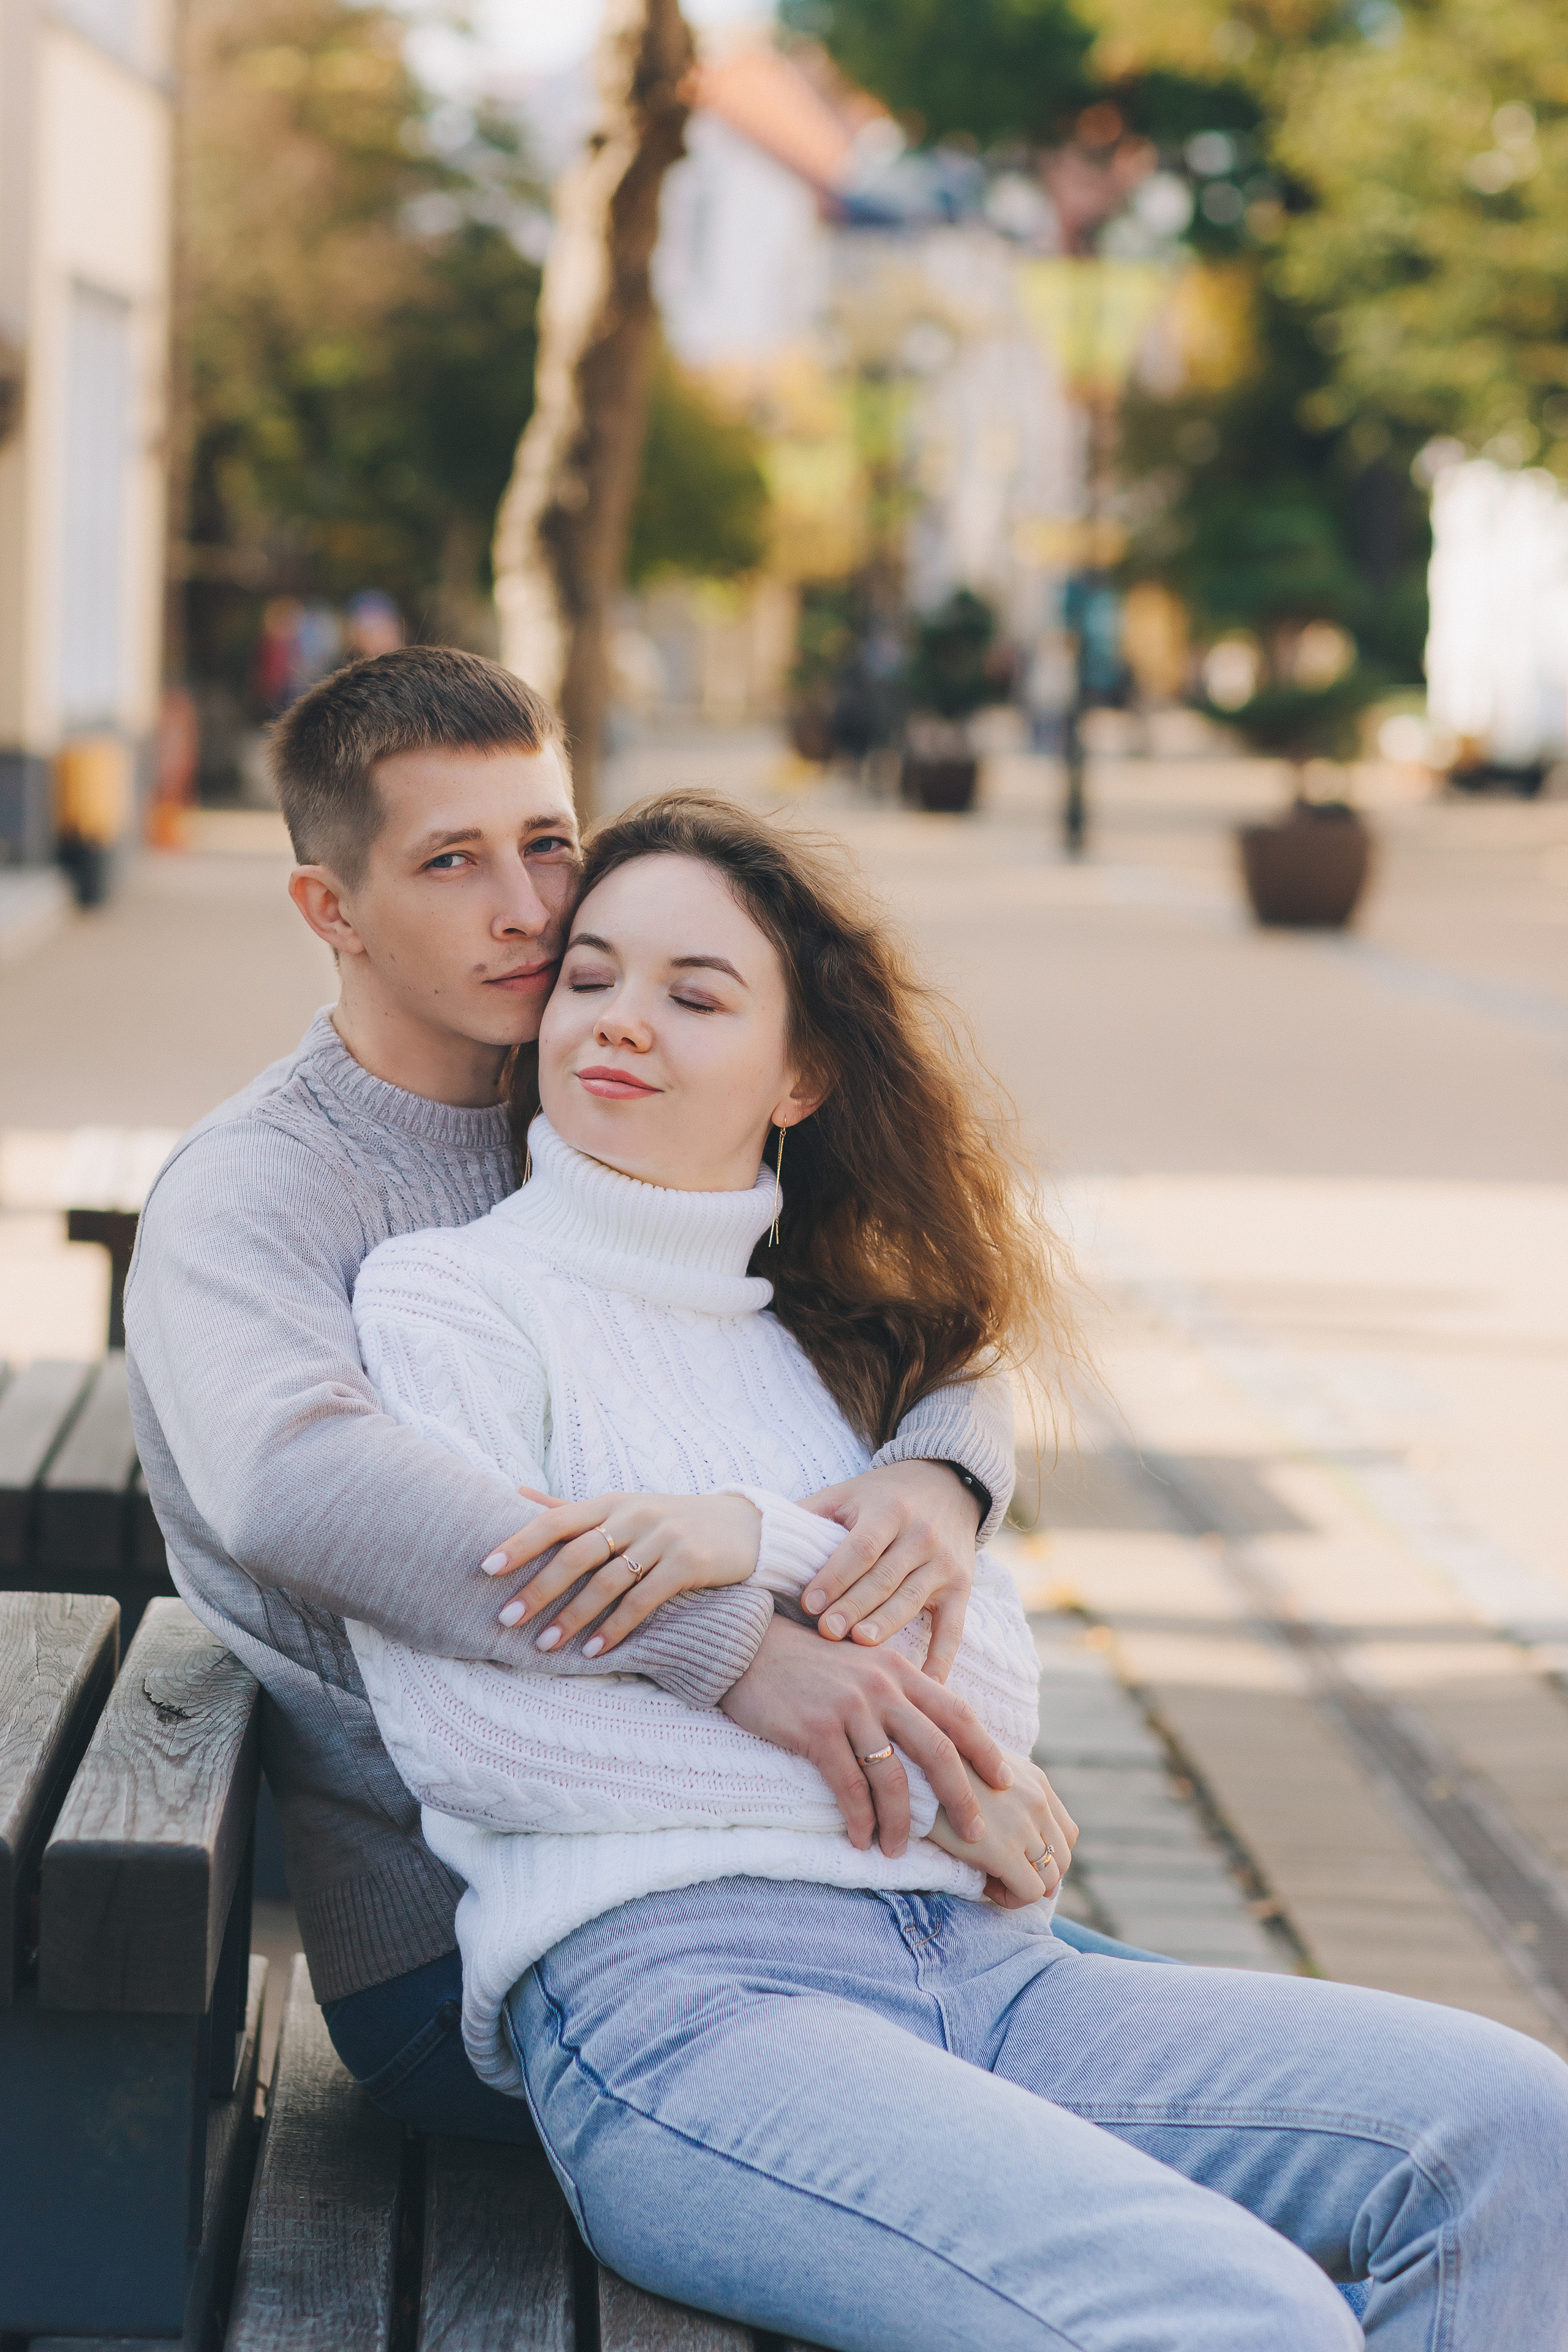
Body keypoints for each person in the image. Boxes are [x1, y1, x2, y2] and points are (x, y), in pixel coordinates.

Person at [345, 792, 1568, 2352]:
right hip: (691, 2009)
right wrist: (894, 1750)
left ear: (800, 1075)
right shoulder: (452, 1304)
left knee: (1510, 2127)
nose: (618, 1024)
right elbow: (484, 1737)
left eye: (693, 993)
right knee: (1232, 2313)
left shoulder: (839, 1348)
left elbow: (987, 1685)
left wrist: (746, 1536)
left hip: (995, 1973)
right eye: (588, 978)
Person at [124, 647, 1022, 2143]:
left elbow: (909, 1331)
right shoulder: (257, 1193)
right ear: (330, 910)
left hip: (759, 1856)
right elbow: (299, 1482)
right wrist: (729, 1645)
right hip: (478, 1944)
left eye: (549, 843)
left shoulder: (599, 1086)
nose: (532, 910)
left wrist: (941, 1471)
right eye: (452, 861)